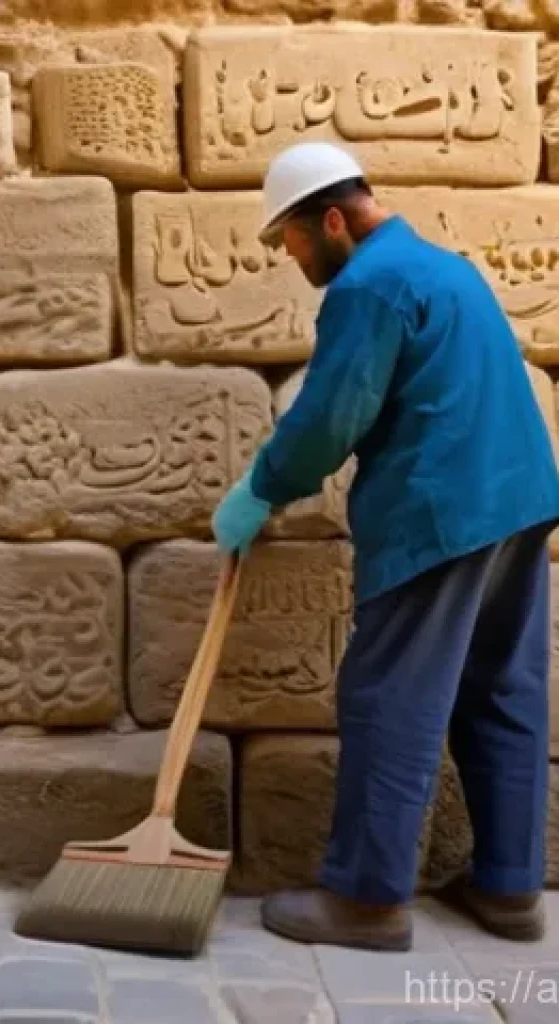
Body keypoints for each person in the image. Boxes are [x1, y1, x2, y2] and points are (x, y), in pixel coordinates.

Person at [212, 141, 559, 952]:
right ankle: (512, 892)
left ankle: (368, 902)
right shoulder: (447, 268)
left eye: (290, 239)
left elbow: (332, 418)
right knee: (501, 692)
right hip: (517, 502)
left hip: (440, 514)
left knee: (388, 697)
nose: (291, 255)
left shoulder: (367, 286)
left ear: (331, 218)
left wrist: (260, 489)